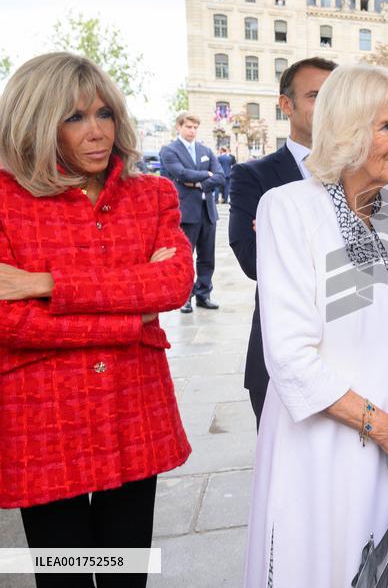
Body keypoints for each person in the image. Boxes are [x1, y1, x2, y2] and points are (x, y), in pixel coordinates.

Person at [244, 63, 388, 587]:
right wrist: (382, 427)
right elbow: (288, 354)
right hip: (329, 446)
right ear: (349, 131)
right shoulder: (288, 208)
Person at [0, 52, 193, 588]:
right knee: (61, 577)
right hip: (45, 422)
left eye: (104, 114)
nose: (97, 132)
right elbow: (10, 324)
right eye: (75, 117)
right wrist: (133, 318)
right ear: (36, 122)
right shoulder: (4, 201)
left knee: (126, 576)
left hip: (133, 410)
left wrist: (46, 285)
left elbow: (172, 285)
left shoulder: (151, 195)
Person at [229, 57, 336, 427]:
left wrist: (289, 240)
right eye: (315, 96)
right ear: (286, 105)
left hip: (354, 358)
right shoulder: (253, 176)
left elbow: (374, 265)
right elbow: (250, 258)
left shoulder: (363, 174)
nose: (328, 106)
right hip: (280, 360)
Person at [159, 112, 224, 313]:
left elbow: (221, 176)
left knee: (207, 257)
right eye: (188, 126)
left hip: (208, 211)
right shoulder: (170, 150)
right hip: (187, 212)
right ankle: (185, 297)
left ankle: (204, 294)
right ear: (179, 127)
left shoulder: (205, 149)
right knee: (186, 256)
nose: (192, 130)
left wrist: (196, 182)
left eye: (195, 127)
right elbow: (179, 173)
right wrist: (207, 175)